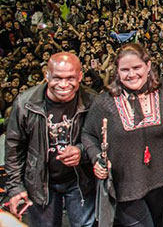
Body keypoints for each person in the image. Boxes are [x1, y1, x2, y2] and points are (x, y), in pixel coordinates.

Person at [81, 43, 163, 227]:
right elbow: (87, 134)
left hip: (161, 182)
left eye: (137, 67)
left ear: (148, 66)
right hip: (125, 187)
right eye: (125, 70)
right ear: (117, 71)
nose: (131, 74)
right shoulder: (105, 102)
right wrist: (96, 158)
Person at [5, 52, 96, 226]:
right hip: (40, 182)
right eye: (57, 78)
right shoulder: (25, 104)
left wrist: (82, 151)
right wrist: (15, 187)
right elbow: (14, 149)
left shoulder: (92, 101)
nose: (63, 84)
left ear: (80, 76)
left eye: (70, 78)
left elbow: (99, 140)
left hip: (79, 181)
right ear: (46, 75)